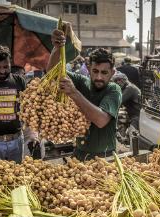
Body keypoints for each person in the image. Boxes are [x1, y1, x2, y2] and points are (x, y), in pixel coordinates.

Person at [48, 29, 122, 161]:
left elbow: (101, 120)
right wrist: (57, 48)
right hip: (79, 154)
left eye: (104, 73)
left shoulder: (114, 90)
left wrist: (74, 93)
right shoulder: (82, 82)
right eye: (95, 71)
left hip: (105, 158)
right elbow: (53, 73)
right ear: (88, 69)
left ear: (112, 72)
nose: (99, 77)